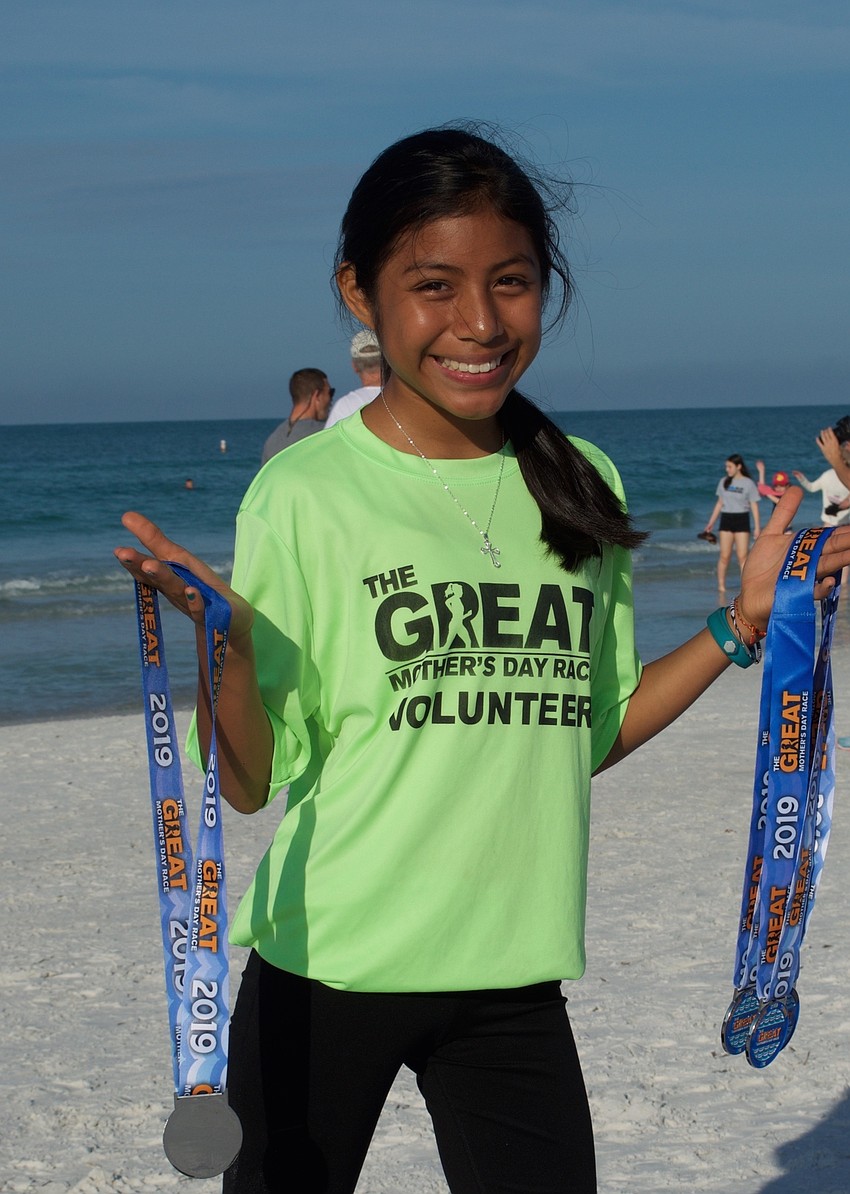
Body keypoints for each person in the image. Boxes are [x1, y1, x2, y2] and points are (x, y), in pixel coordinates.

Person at [114, 126, 850, 1194]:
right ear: (360, 295)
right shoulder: (307, 491)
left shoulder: (581, 480)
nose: (476, 323)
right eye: (433, 285)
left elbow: (585, 733)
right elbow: (249, 779)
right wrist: (224, 653)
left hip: (511, 976)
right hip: (330, 967)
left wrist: (737, 626)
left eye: (509, 283)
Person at [703, 455, 761, 593]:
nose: (727, 469)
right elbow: (719, 503)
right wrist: (711, 522)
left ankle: (745, 587)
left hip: (742, 519)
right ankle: (721, 586)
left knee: (742, 556)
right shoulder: (724, 482)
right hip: (726, 519)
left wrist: (757, 527)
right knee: (724, 555)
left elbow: (754, 505)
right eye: (726, 467)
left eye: (729, 466)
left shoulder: (748, 483)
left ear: (738, 466)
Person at [260, 368, 334, 465]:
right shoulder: (325, 433)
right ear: (317, 395)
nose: (331, 400)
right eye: (330, 393)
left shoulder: (272, 441)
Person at [324, 330, 383, 428]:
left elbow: (328, 441)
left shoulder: (345, 406)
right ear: (387, 363)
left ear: (354, 366)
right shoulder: (406, 400)